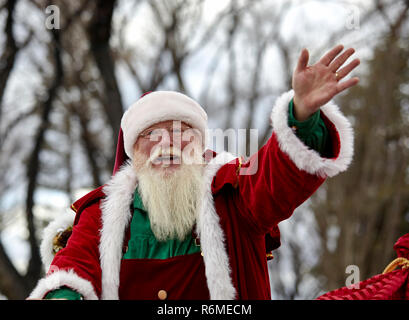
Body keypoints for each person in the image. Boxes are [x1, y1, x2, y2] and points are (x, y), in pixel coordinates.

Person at [28, 44, 359, 300]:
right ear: (134, 151)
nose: (167, 143)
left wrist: (301, 114)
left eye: (181, 131)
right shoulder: (100, 215)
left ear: (200, 145)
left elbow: (276, 178)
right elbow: (72, 271)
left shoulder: (232, 192)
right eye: (152, 134)